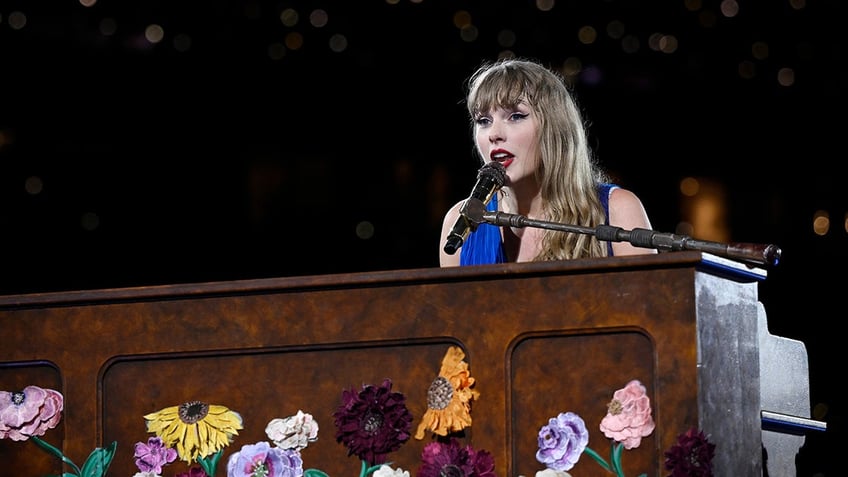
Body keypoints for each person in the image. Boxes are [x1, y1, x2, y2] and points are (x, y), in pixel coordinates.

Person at [440, 58, 657, 267]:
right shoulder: (459, 225)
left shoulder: (618, 211)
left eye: (516, 116)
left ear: (555, 127)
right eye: (483, 121)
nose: (494, 134)